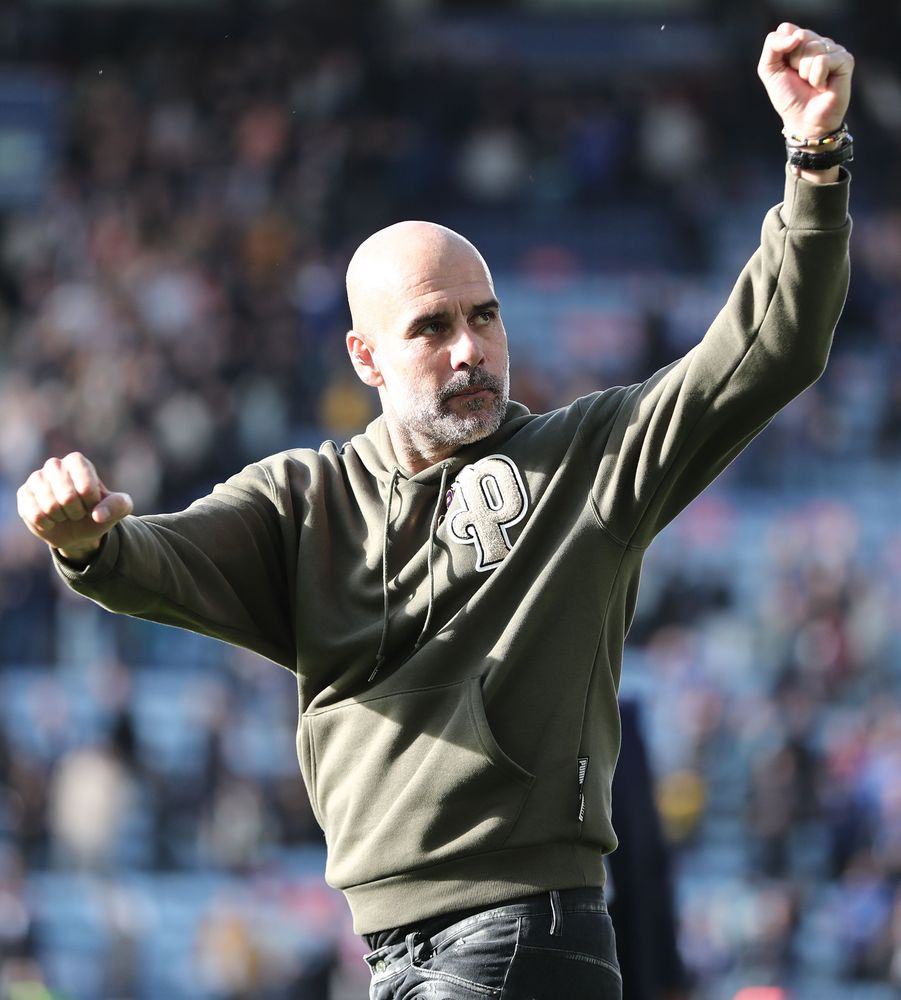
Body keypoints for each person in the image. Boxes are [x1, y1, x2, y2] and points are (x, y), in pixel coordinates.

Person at [17, 23, 853, 1000]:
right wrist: (85, 540)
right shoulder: (300, 501)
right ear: (365, 358)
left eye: (484, 316)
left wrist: (814, 157)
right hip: (398, 957)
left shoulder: (584, 459)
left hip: (520, 939)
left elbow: (770, 348)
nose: (469, 349)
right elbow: (147, 560)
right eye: (431, 327)